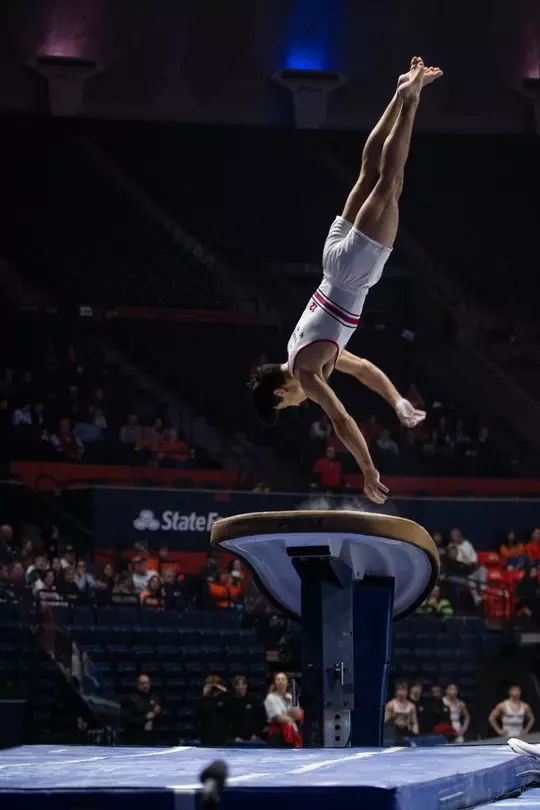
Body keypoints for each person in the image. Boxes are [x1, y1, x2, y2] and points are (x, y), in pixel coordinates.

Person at [248, 58, 442, 504]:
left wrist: (369, 472)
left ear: (280, 392)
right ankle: (398, 94)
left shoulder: (306, 372)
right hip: (331, 261)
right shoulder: (298, 351)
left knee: (390, 182)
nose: (297, 405)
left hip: (354, 273)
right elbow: (363, 368)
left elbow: (342, 421)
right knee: (369, 173)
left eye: (287, 405)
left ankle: (409, 101)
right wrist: (396, 401)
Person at [264, 672, 303, 748]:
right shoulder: (270, 698)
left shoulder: (291, 697)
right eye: (278, 679)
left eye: (283, 679)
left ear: (287, 682)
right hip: (277, 735)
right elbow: (279, 718)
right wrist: (291, 719)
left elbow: (298, 716)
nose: (281, 681)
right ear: (275, 683)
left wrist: (292, 701)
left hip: (291, 734)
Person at [122, 673, 161, 745]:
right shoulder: (131, 700)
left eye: (147, 683)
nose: (145, 686)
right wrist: (144, 717)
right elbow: (126, 720)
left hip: (151, 736)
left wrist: (158, 713)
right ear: (138, 684)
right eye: (142, 683)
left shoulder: (154, 698)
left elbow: (159, 720)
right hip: (136, 737)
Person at [229, 675, 265, 742]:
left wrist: (256, 734)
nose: (241, 687)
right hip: (236, 738)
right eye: (238, 685)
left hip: (252, 737)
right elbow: (228, 722)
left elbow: (260, 719)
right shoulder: (231, 702)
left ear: (246, 685)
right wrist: (234, 737)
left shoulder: (254, 700)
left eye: (243, 684)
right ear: (234, 687)